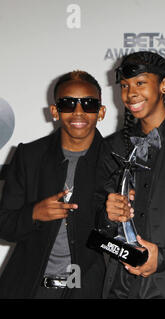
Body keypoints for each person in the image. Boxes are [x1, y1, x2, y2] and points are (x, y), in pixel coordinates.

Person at [95, 51, 165, 299]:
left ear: (164, 85)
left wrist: (163, 258)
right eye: (124, 86)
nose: (130, 93)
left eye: (140, 83)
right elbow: (95, 224)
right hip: (119, 289)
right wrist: (107, 214)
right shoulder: (110, 148)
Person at [0, 70, 107, 298]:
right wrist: (34, 213)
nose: (78, 112)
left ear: (101, 112)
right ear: (55, 111)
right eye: (68, 104)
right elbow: (4, 224)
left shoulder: (117, 159)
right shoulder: (29, 155)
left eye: (88, 104)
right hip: (31, 287)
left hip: (90, 290)